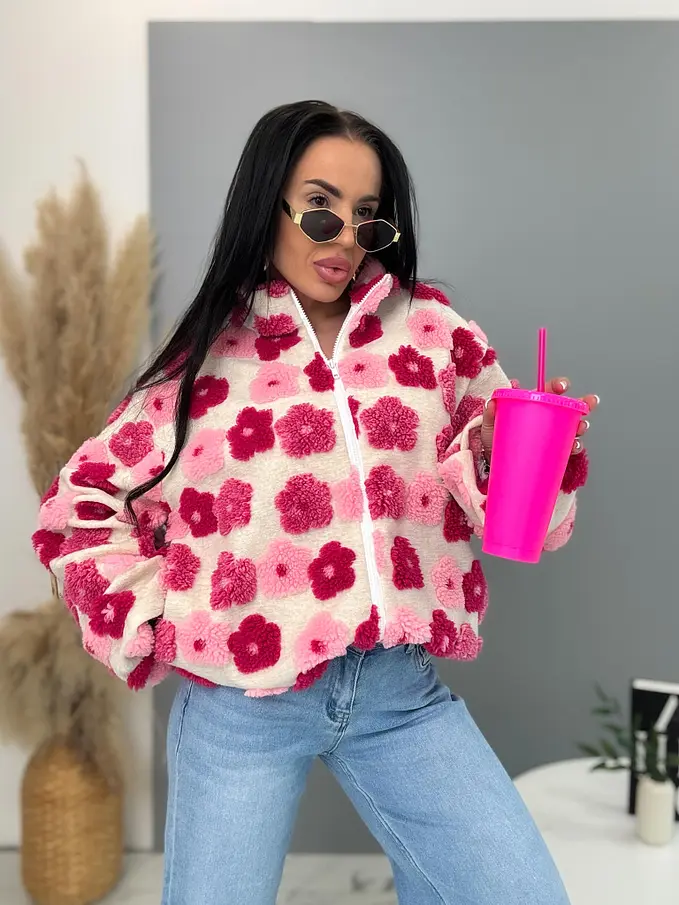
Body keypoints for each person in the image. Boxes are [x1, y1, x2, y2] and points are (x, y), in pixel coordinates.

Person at [33, 100, 597, 905]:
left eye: (367, 217)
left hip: (396, 693)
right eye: (321, 208)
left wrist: (518, 452)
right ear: (267, 201)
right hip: (242, 710)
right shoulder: (204, 360)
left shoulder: (433, 334)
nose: (345, 239)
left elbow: (529, 524)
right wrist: (161, 616)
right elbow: (78, 502)